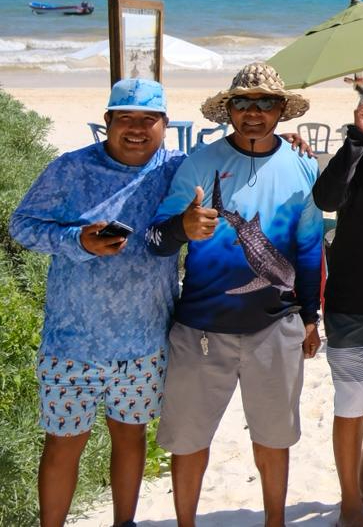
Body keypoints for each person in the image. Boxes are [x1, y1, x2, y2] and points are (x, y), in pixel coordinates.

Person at [148, 63, 324, 527]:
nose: (253, 113)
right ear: (228, 110)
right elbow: (155, 239)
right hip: (201, 329)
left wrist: (311, 316)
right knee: (188, 441)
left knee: (274, 439)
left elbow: (308, 251)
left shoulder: (303, 167)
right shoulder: (199, 163)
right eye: (242, 103)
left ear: (281, 110)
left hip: (276, 329)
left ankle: (274, 522)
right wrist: (182, 228)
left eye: (265, 103)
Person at [9, 79, 184, 527]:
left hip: (144, 343)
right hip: (71, 343)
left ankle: (123, 523)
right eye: (125, 117)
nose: (137, 128)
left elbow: (237, 160)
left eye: (149, 119)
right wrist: (77, 240)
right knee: (62, 444)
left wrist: (290, 141)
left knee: (131, 438)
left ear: (166, 125)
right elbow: (23, 226)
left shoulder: (178, 170)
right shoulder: (70, 169)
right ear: (106, 122)